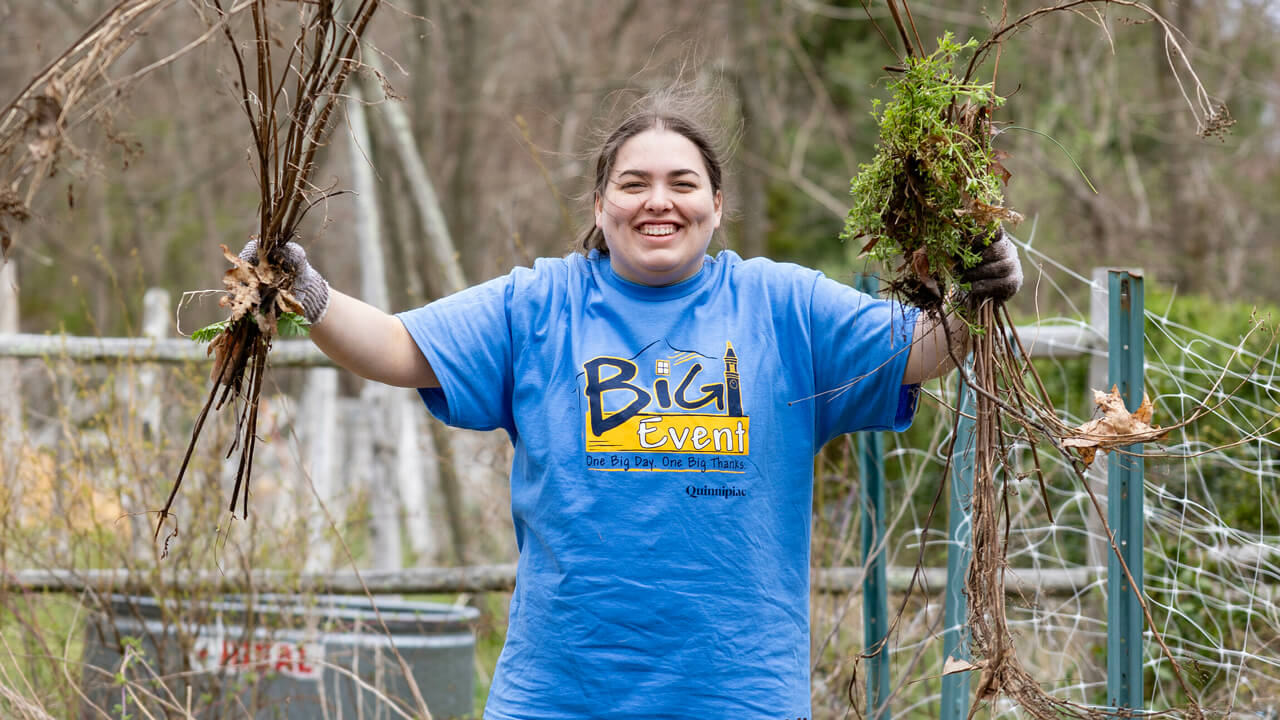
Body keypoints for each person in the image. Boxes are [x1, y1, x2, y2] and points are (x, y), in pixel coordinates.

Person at [240, 99, 1021, 720]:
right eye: (634, 183)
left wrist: (976, 298)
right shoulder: (540, 302)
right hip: (562, 694)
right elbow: (398, 347)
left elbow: (919, 350)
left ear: (717, 205)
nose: (659, 202)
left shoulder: (781, 305)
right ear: (601, 201)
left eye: (683, 184)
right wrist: (309, 292)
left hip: (738, 695)